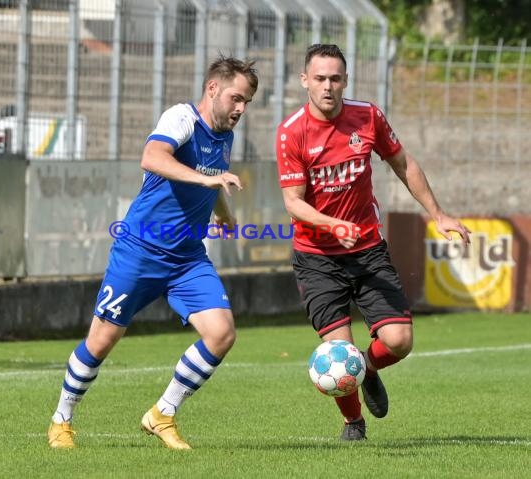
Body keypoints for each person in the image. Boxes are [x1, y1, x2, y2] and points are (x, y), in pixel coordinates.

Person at [48, 56, 258, 450]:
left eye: (246, 102)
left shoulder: (224, 137)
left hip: (187, 259)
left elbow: (211, 182)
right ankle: (62, 419)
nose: (241, 109)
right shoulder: (180, 119)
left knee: (222, 333)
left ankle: (162, 413)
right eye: (236, 98)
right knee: (102, 340)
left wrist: (225, 214)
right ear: (213, 88)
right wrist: (205, 179)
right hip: (139, 251)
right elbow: (153, 158)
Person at [275, 44, 471, 441]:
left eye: (334, 78)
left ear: (345, 80)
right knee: (337, 352)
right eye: (319, 79)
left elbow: (403, 163)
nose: (327, 86)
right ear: (304, 81)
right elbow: (293, 203)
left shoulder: (368, 116)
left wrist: (438, 213)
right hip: (316, 257)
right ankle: (353, 423)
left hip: (367, 249)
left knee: (399, 341)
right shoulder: (291, 132)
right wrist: (332, 224)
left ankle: (364, 368)